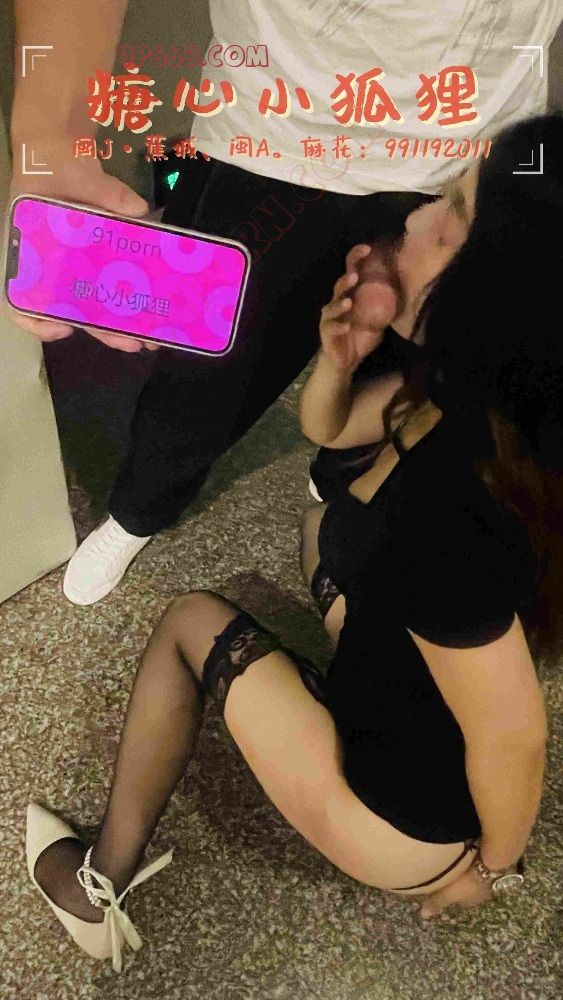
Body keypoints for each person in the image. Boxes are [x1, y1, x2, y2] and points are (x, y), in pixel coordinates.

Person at [26, 113, 561, 972]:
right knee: (320, 527)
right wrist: (339, 357)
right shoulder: (492, 398)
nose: (417, 215)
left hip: (404, 827)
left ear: (504, 286)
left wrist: (490, 871)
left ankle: (100, 882)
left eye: (453, 215)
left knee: (186, 620)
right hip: (407, 687)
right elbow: (331, 431)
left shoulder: (450, 511)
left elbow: (513, 737)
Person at [9, 0, 563, 605]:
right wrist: (52, 129)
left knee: (407, 371)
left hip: (473, 145)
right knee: (205, 374)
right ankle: (138, 511)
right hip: (281, 128)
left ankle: (337, 474)